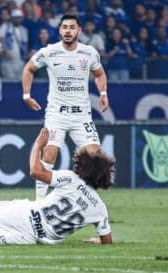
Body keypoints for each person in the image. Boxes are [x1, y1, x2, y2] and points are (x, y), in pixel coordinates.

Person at [22, 14, 109, 201]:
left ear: (79, 31)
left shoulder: (89, 53)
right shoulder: (49, 52)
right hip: (56, 115)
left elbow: (100, 74)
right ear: (59, 31)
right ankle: (39, 203)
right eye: (64, 27)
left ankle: (87, 201)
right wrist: (26, 96)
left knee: (95, 156)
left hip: (82, 117)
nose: (68, 31)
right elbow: (29, 68)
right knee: (49, 154)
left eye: (72, 27)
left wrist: (103, 94)